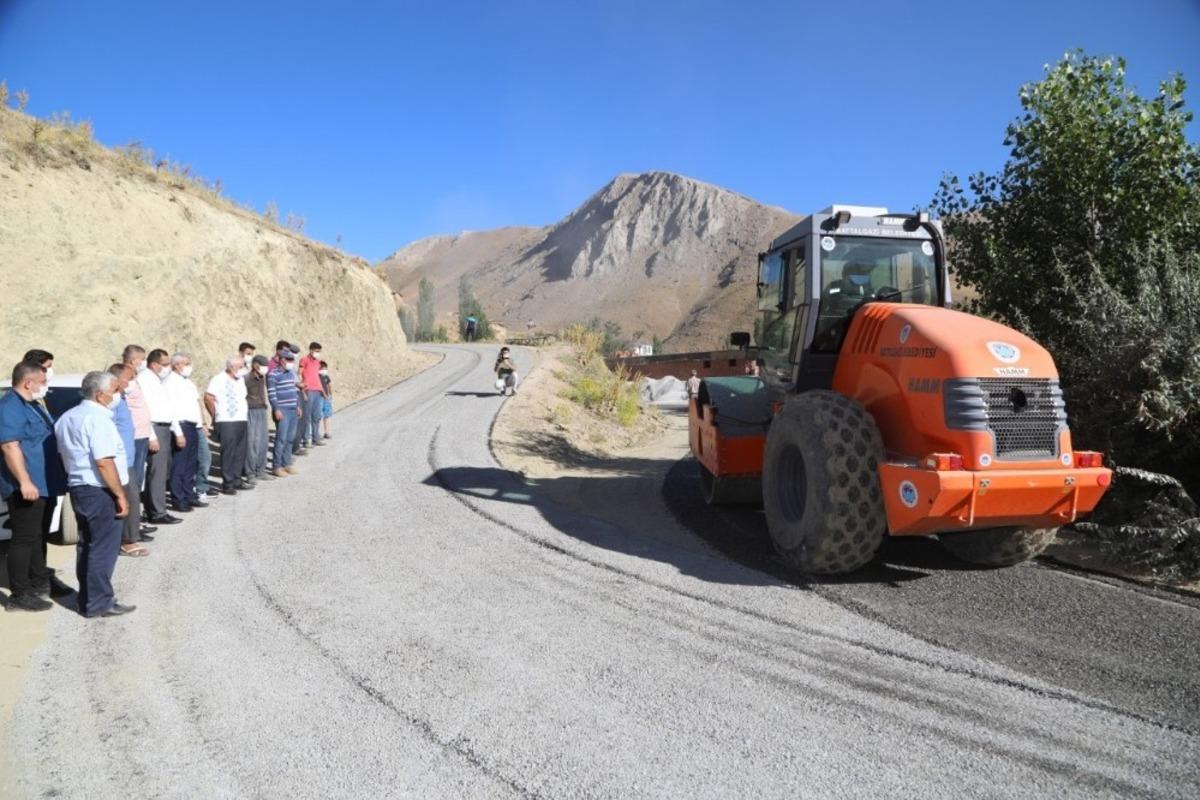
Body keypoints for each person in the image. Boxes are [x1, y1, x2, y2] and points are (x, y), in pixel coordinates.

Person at [54, 371, 135, 618]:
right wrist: (120, 495)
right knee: (102, 548)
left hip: (80, 487)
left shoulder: (67, 417)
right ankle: (99, 602)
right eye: (115, 390)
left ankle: (87, 599)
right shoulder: (98, 419)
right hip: (99, 490)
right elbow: (104, 462)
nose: (119, 394)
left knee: (87, 545)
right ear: (100, 395)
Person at [0, 361, 67, 611]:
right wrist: (24, 481)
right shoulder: (10, 407)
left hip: (45, 483)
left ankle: (39, 582)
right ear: (28, 383)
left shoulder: (33, 404)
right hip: (27, 485)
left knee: (39, 534)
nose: (45, 386)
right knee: (24, 538)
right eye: (42, 381)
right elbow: (10, 446)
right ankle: (19, 595)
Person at [107, 363, 148, 558]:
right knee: (129, 498)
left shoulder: (122, 399)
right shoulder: (112, 402)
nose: (132, 382)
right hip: (118, 461)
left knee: (132, 496)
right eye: (129, 378)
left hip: (128, 459)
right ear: (118, 380)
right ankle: (127, 541)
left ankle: (129, 537)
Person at [138, 349, 182, 526]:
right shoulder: (145, 380)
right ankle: (157, 512)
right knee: (157, 473)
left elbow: (167, 408)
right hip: (155, 429)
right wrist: (151, 436)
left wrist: (177, 431)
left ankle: (154, 508)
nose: (168, 367)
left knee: (162, 471)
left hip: (164, 428)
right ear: (154, 364)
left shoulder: (157, 380)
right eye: (165, 364)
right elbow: (144, 411)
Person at [121, 345, 157, 541]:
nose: (143, 363)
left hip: (142, 435)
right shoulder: (124, 379)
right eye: (141, 359)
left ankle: (136, 523)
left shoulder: (135, 378)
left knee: (137, 483)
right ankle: (131, 529)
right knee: (132, 485)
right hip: (132, 438)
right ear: (132, 360)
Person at [164, 352, 206, 513]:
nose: (190, 366)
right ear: (177, 365)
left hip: (193, 426)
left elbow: (195, 403)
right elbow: (170, 409)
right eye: (187, 363)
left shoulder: (187, 382)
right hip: (181, 426)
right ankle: (178, 499)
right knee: (179, 465)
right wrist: (178, 432)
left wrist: (201, 424)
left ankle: (189, 495)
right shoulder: (170, 382)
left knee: (191, 464)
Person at [206, 356, 251, 494]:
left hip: (241, 419)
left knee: (240, 451)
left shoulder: (240, 379)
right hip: (226, 420)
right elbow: (208, 397)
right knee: (228, 452)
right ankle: (228, 483)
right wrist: (215, 414)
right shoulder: (218, 379)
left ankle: (237, 479)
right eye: (241, 367)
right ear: (232, 367)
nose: (243, 369)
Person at [267, 350, 301, 477]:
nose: (291, 362)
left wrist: (297, 406)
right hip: (282, 410)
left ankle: (287, 463)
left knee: (290, 438)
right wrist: (276, 409)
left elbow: (294, 390)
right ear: (282, 360)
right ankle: (277, 466)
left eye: (292, 360)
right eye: (289, 360)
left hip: (293, 409)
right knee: (281, 438)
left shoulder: (290, 374)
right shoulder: (273, 374)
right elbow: (272, 393)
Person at [243, 354, 274, 481]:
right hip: (250, 411)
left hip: (261, 410)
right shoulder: (246, 378)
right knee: (251, 443)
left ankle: (261, 470)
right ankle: (250, 473)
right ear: (255, 365)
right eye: (263, 365)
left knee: (263, 442)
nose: (266, 368)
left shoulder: (262, 377)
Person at [298, 342, 325, 448]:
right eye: (317, 351)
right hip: (308, 390)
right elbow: (299, 374)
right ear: (311, 350)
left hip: (317, 391)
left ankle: (315, 438)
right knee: (307, 417)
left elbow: (317, 377)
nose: (318, 353)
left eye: (319, 351)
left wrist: (322, 390)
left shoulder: (317, 362)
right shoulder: (304, 360)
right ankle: (306, 440)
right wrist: (302, 390)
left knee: (316, 416)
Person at [319, 360, 333, 440]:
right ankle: (317, 433)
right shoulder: (318, 377)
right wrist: (325, 395)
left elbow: (329, 385)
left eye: (325, 369)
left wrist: (330, 395)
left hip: (327, 398)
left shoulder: (326, 377)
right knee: (319, 415)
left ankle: (327, 432)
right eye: (323, 369)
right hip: (320, 397)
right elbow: (320, 387)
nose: (324, 370)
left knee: (327, 415)